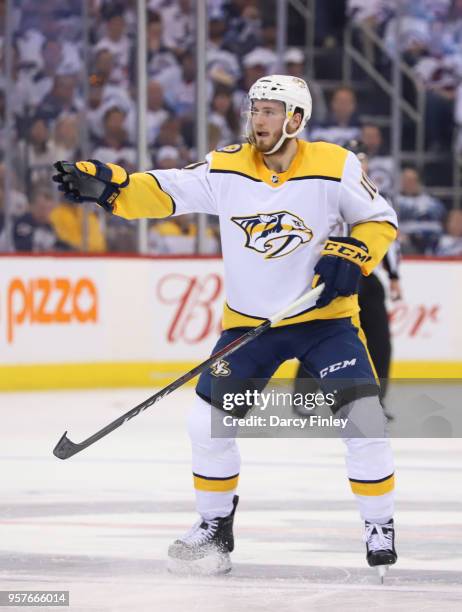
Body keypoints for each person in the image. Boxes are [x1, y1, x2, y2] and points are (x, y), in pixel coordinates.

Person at [53, 74, 398, 578]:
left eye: (269, 111)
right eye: (254, 110)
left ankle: (379, 524)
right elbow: (168, 189)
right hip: (249, 325)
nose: (258, 120)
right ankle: (215, 526)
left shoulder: (335, 165)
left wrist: (354, 251)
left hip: (325, 322)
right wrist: (116, 189)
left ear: (295, 119)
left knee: (364, 419)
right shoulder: (228, 165)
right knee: (204, 422)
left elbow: (379, 218)